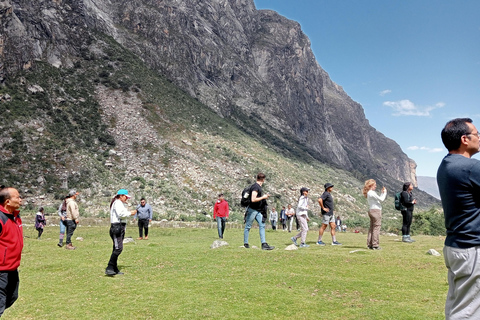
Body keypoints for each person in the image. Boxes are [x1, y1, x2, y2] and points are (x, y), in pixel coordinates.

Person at [437, 118, 480, 319]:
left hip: (456, 247)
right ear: (465, 139)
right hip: (471, 250)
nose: (479, 138)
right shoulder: (470, 167)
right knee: (468, 313)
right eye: (477, 134)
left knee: (458, 306)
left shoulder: (446, 165)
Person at [0, 187, 23, 317]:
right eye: (17, 197)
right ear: (7, 201)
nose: (20, 200)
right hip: (1, 270)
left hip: (13, 268)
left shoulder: (15, 215)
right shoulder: (0, 218)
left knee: (12, 297)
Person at [105, 189, 136, 276]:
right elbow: (121, 214)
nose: (127, 199)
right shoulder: (118, 203)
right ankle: (110, 267)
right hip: (116, 227)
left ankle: (114, 268)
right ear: (121, 196)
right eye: (126, 197)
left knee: (116, 247)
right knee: (119, 248)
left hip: (119, 227)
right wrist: (130, 213)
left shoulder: (119, 203)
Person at [243, 173, 275, 250]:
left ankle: (264, 244)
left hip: (257, 210)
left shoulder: (256, 187)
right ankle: (246, 243)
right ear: (263, 179)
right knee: (248, 226)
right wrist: (263, 197)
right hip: (252, 210)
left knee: (262, 225)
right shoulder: (255, 187)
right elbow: (253, 199)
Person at [363, 179, 387, 250]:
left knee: (372, 228)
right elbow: (381, 199)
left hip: (371, 210)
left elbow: (377, 199)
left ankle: (369, 244)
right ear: (371, 185)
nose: (376, 186)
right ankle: (375, 244)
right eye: (374, 185)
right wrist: (384, 193)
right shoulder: (372, 193)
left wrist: (381, 193)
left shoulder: (368, 193)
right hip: (376, 211)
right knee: (376, 228)